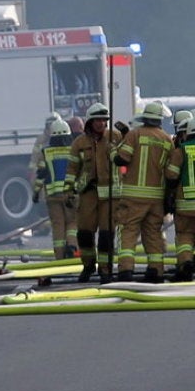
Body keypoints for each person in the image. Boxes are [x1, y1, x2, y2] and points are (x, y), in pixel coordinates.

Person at [111, 101, 173, 283]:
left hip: (133, 197)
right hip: (156, 198)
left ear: (145, 117)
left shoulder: (135, 134)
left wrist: (115, 148)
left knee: (128, 231)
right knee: (153, 233)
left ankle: (126, 270)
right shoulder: (167, 140)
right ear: (160, 119)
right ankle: (156, 271)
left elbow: (121, 159)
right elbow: (171, 171)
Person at [64, 103, 124, 283]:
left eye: (105, 120)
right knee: (84, 233)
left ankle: (105, 270)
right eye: (98, 120)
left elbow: (129, 152)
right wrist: (68, 190)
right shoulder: (79, 143)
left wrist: (127, 133)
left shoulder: (115, 137)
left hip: (110, 195)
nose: (102, 124)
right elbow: (72, 168)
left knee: (106, 235)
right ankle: (88, 265)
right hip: (88, 192)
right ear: (90, 121)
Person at [32, 119, 78, 260]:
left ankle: (59, 257)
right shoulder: (74, 151)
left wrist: (36, 192)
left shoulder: (45, 152)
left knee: (58, 225)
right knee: (72, 222)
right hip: (71, 195)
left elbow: (41, 175)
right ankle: (72, 247)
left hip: (52, 196)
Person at [166, 115, 195, 282]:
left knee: (184, 236)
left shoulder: (181, 151)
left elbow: (171, 175)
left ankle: (185, 264)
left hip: (185, 206)